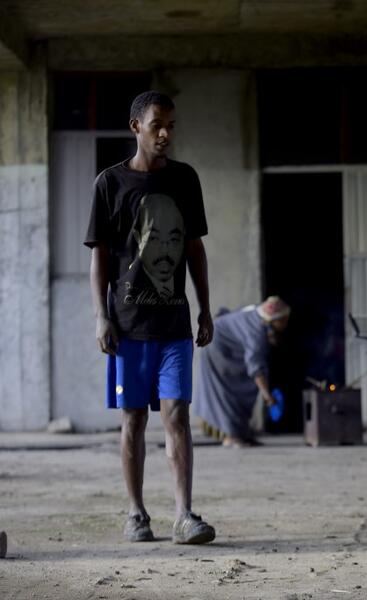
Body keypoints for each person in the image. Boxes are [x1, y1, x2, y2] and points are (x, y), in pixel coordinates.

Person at [85, 90, 216, 545]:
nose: (165, 134)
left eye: (172, 126)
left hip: (174, 326)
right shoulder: (110, 184)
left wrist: (204, 308)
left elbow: (196, 250)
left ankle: (184, 515)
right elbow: (99, 257)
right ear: (135, 126)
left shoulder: (185, 179)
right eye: (157, 124)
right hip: (127, 328)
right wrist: (101, 316)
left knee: (176, 415)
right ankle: (136, 513)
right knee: (133, 421)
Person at [194, 296, 291, 447]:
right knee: (229, 393)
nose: (286, 322)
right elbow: (255, 366)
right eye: (283, 319)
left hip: (223, 343)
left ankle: (241, 433)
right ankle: (231, 436)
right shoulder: (257, 332)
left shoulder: (259, 314)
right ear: (273, 320)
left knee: (239, 392)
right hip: (218, 347)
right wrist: (267, 395)